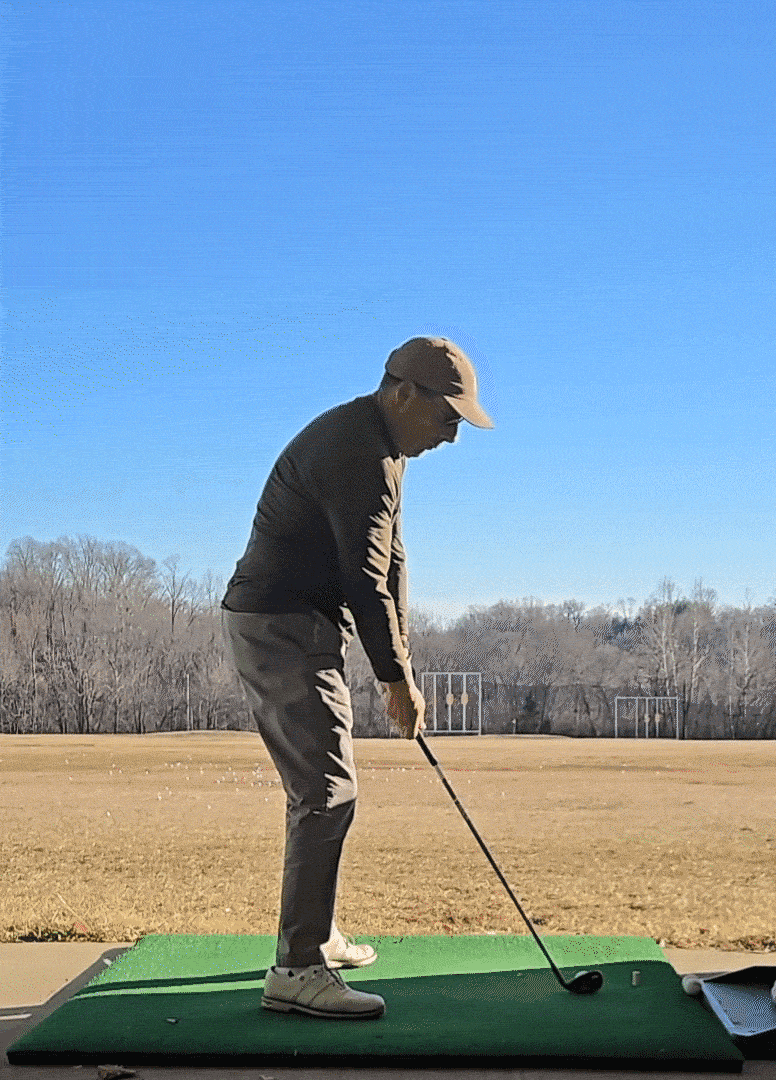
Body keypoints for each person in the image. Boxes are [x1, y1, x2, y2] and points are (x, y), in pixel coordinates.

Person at [222, 336, 494, 1019]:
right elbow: (364, 580)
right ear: (404, 395)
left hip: (297, 624)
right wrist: (395, 681)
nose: (453, 436)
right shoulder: (360, 453)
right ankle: (297, 969)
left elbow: (392, 563)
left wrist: (401, 668)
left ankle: (315, 935)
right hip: (281, 625)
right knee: (327, 791)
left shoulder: (385, 451)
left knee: (322, 788)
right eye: (448, 417)